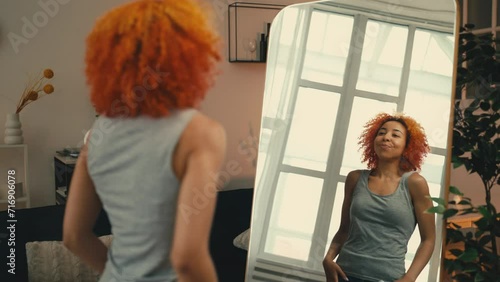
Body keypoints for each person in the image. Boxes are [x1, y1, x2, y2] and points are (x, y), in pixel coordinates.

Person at [63, 1, 225, 281]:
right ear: (189, 55)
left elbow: (74, 237)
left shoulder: (98, 132)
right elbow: (186, 260)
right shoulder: (199, 132)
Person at [323, 113, 436, 282]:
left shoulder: (415, 183)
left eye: (395, 135)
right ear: (372, 140)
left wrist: (410, 278)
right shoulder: (355, 178)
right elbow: (345, 229)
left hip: (388, 278)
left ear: (407, 146)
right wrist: (328, 259)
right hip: (345, 274)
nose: (386, 138)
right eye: (381, 133)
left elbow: (428, 239)